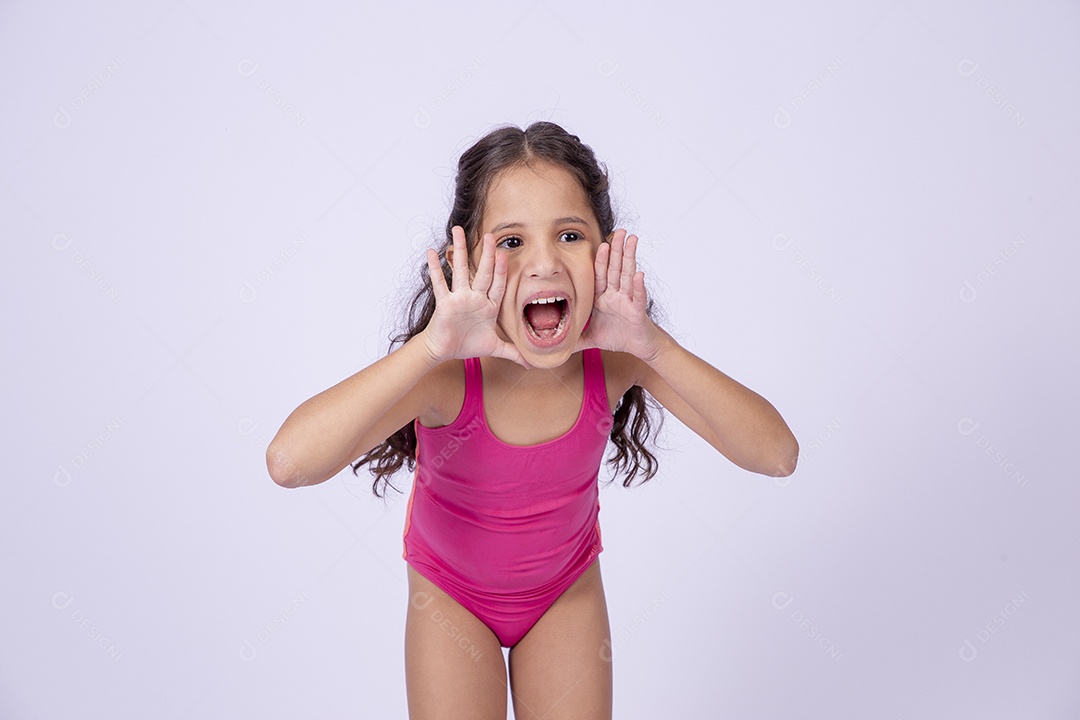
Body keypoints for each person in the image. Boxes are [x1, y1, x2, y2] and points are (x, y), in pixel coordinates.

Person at [266, 121, 798, 719]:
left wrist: (656, 348)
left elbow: (777, 454)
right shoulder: (446, 375)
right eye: (512, 242)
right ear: (464, 260)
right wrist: (429, 349)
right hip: (450, 598)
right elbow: (289, 463)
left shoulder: (617, 360)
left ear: (605, 249)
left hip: (564, 596)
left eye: (569, 234)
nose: (544, 263)